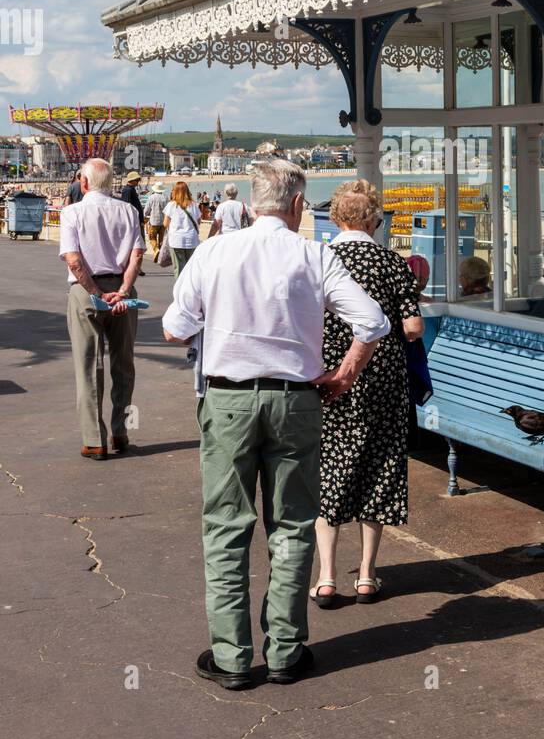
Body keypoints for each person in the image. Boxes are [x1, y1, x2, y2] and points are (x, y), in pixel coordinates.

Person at [161, 159, 389, 691]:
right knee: (291, 524)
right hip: (296, 401)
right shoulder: (314, 254)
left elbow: (175, 328)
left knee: (225, 526)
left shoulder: (215, 250)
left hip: (228, 401)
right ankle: (286, 650)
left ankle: (232, 656)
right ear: (295, 206)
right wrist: (346, 373)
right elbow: (372, 322)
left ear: (252, 203)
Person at [313, 180, 424, 608]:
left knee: (329, 467)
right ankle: (366, 575)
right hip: (383, 378)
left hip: (328, 377)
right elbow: (412, 329)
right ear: (376, 221)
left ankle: (325, 578)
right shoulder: (392, 263)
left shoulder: (320, 257)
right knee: (380, 465)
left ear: (336, 217)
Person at [59, 158, 143, 459]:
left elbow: (73, 259)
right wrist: (120, 291)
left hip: (85, 291)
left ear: (83, 182)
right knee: (124, 363)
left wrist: (96, 293)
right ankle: (123, 431)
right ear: (111, 183)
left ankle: (95, 439)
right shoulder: (129, 210)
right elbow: (135, 257)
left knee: (88, 365)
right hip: (123, 289)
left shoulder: (72, 212)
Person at [163, 180, 201, 278]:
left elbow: (165, 223)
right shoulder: (194, 205)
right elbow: (198, 221)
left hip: (176, 240)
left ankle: (180, 290)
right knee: (191, 267)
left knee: (178, 268)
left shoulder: (171, 205)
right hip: (191, 239)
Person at [144, 182, 167, 259]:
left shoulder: (151, 197)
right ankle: (160, 255)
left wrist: (144, 215)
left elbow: (147, 209)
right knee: (161, 239)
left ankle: (156, 250)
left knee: (152, 238)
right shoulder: (165, 198)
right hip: (163, 222)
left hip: (153, 221)